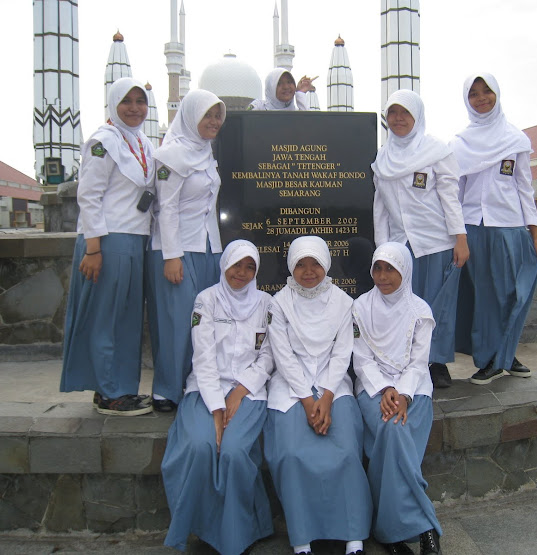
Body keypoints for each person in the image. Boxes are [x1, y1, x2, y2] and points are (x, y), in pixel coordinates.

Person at [161, 240, 274, 554]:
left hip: (248, 393)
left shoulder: (266, 304)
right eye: (236, 264)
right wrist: (216, 410)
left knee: (236, 451)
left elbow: (267, 357)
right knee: (200, 445)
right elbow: (203, 358)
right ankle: (201, 527)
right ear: (224, 264)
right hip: (205, 391)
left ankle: (240, 532)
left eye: (250, 266)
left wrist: (240, 391)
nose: (242, 273)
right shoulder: (206, 300)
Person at [264, 236, 372, 555]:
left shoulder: (343, 302)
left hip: (333, 385)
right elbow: (282, 357)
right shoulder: (278, 303)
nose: (308, 271)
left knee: (348, 452)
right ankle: (302, 539)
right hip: (290, 388)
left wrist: (325, 397)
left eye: (315, 264)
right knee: (291, 454)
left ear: (326, 265)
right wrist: (308, 401)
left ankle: (353, 537)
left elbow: (342, 355)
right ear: (291, 267)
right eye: (301, 264)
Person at [60, 77, 155, 416]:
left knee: (127, 320)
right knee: (106, 318)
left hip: (135, 241)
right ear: (113, 104)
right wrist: (94, 249)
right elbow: (89, 195)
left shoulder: (142, 141)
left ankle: (123, 389)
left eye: (140, 101)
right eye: (126, 101)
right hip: (109, 240)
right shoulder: (104, 141)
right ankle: (108, 391)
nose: (134, 108)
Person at [451, 73, 537, 385]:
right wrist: (458, 235)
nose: (481, 99)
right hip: (473, 228)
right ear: (467, 100)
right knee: (484, 296)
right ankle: (488, 359)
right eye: (474, 94)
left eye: (487, 92)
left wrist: (535, 234)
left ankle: (507, 354)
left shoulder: (515, 139)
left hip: (508, 226)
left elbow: (523, 188)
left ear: (496, 94)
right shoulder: (461, 143)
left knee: (510, 295)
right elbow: (455, 192)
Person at [371, 90, 468, 389]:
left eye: (405, 113)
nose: (398, 119)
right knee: (405, 306)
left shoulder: (436, 151)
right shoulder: (382, 158)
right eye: (393, 113)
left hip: (436, 243)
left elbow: (450, 198)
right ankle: (408, 362)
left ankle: (436, 362)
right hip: (402, 247)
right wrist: (383, 251)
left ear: (417, 116)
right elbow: (381, 209)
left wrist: (460, 239)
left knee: (436, 306)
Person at [353, 242, 442, 555]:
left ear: (405, 270)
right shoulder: (361, 307)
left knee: (393, 432)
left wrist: (403, 394)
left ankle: (389, 531)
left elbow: (419, 364)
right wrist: (384, 389)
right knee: (393, 431)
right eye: (378, 267)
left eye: (390, 268)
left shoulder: (420, 311)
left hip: (414, 390)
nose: (382, 276)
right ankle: (426, 526)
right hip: (373, 390)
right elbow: (361, 359)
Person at [145, 90, 225, 412]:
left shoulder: (206, 153)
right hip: (176, 250)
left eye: (218, 115)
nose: (214, 121)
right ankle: (166, 390)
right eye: (207, 115)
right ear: (191, 116)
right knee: (176, 320)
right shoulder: (172, 155)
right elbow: (166, 207)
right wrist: (172, 256)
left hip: (207, 247)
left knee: (202, 320)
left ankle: (194, 382)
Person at [248, 67, 316, 111]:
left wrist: (300, 93)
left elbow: (308, 124)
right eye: (279, 83)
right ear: (271, 89)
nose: (286, 87)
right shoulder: (259, 107)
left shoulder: (296, 112)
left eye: (289, 82)